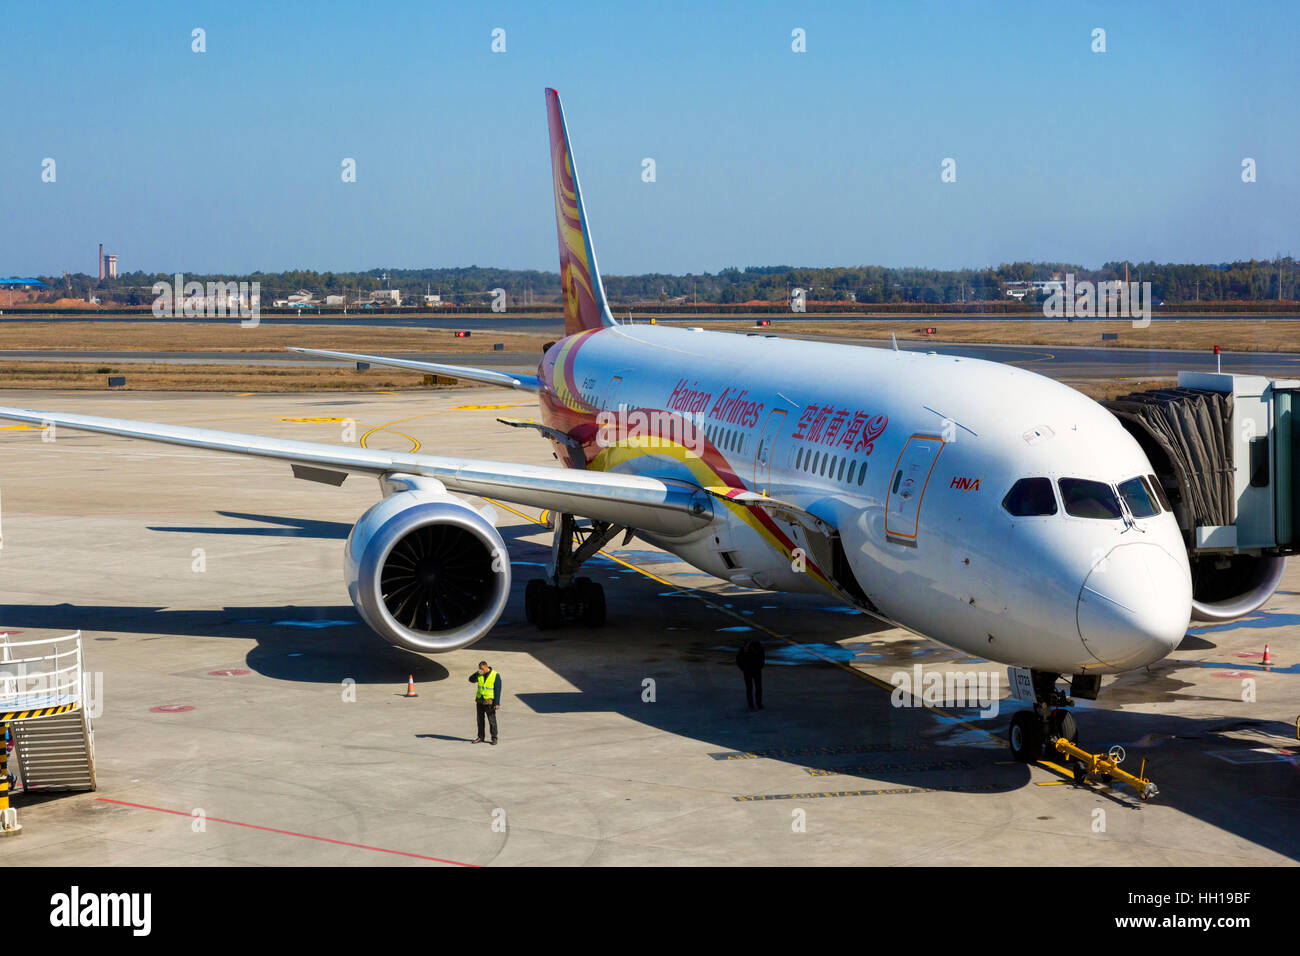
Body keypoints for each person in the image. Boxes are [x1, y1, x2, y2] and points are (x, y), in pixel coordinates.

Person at [469, 661, 502, 744]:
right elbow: (470, 680)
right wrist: (476, 673)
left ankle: (494, 738)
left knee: (492, 721)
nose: (481, 670)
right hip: (480, 701)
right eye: (480, 669)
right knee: (480, 720)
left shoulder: (495, 675)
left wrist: (497, 703)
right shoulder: (479, 674)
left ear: (487, 667)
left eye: (482, 668)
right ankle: (480, 737)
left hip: (489, 702)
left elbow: (497, 690)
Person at [735, 639, 765, 710]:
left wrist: (742, 667)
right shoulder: (755, 648)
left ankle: (753, 705)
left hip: (750, 670)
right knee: (756, 688)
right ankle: (757, 704)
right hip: (753, 670)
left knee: (751, 688)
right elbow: (762, 657)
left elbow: (738, 658)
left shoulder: (745, 648)